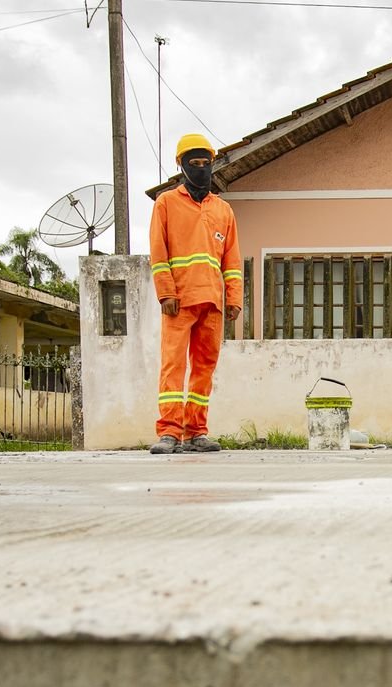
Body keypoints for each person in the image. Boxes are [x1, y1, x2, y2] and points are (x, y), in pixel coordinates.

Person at [147, 133, 243, 454]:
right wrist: (165, 293)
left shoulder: (224, 210)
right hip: (179, 301)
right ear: (181, 165)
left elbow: (231, 259)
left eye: (206, 163)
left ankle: (196, 432)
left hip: (213, 303)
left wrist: (233, 298)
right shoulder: (166, 203)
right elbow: (158, 253)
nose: (201, 168)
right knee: (173, 366)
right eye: (194, 163)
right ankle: (170, 432)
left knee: (204, 369)